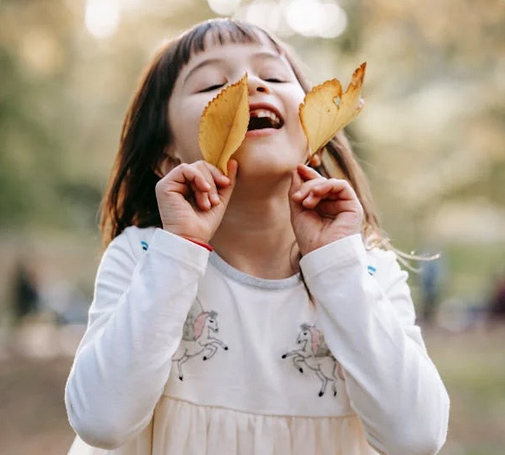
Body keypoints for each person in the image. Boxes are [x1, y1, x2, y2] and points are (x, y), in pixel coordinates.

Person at [65, 18, 450, 455]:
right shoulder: (144, 258)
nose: (249, 85)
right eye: (211, 83)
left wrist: (335, 264)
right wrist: (180, 250)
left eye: (273, 75)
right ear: (165, 155)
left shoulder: (368, 271)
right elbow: (101, 421)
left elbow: (416, 437)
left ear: (315, 132)